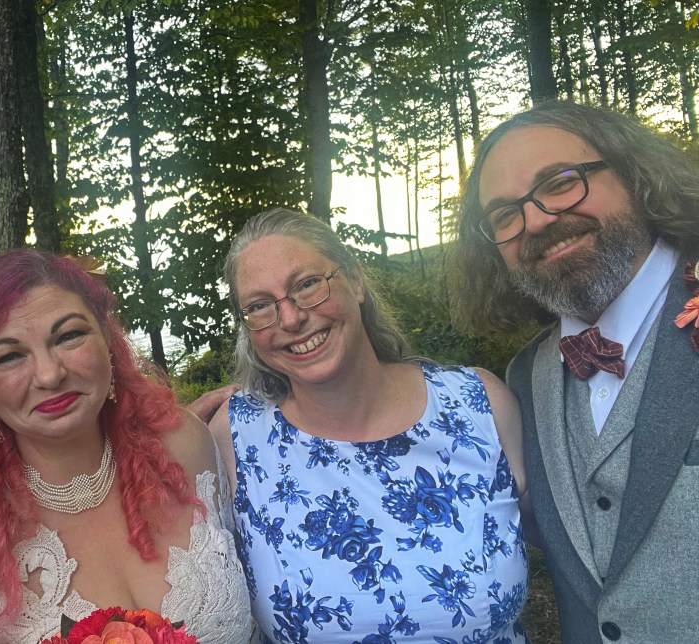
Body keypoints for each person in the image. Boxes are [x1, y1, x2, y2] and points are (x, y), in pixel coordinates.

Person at [210, 208, 529, 643]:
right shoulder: (235, 438)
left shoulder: (479, 405)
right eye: (260, 306)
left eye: (306, 285)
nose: (290, 319)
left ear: (356, 281)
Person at [448, 101, 699, 643]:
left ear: (635, 174)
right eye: (505, 215)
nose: (535, 220)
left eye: (560, 182)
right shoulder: (524, 379)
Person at [0, 250, 250, 643]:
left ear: (108, 340)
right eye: (9, 356)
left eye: (69, 336)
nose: (49, 374)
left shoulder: (186, 447)